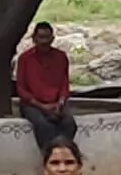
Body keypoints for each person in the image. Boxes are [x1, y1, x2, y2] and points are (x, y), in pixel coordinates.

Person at [13, 23, 77, 152]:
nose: (44, 41)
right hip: (32, 104)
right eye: (41, 37)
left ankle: (64, 153)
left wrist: (60, 102)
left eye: (47, 37)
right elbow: (21, 88)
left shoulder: (61, 57)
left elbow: (64, 84)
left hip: (56, 102)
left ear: (52, 39)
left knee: (69, 123)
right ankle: (48, 155)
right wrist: (41, 106)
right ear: (34, 38)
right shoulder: (25, 58)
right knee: (44, 125)